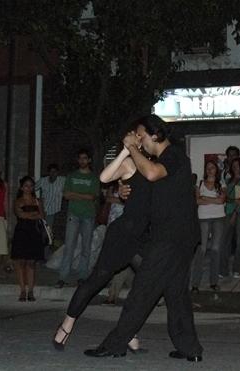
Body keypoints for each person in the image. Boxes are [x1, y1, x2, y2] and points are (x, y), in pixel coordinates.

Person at [85, 114, 203, 362]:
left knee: (142, 290)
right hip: (176, 236)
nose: (138, 140)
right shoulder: (158, 161)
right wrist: (124, 190)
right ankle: (189, 348)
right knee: (175, 293)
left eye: (141, 135)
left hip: (172, 237)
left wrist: (129, 147)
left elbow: (151, 174)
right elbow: (147, 186)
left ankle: (115, 344)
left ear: (156, 134)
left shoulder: (174, 156)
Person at [53, 144, 152, 353]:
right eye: (139, 138)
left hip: (143, 236)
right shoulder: (129, 162)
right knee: (96, 280)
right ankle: (66, 324)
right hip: (123, 234)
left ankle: (128, 331)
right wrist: (126, 150)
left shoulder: (154, 167)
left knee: (149, 282)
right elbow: (104, 178)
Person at [55, 149, 100, 288]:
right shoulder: (71, 176)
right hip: (73, 214)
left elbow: (93, 196)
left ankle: (82, 276)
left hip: (88, 215)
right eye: (80, 158)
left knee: (86, 248)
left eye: (85, 158)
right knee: (69, 246)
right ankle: (63, 277)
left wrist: (76, 194)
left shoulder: (93, 178)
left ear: (89, 160)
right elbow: (66, 195)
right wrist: (83, 195)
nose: (82, 161)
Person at [192, 160, 226, 293]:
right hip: (203, 218)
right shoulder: (199, 183)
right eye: (208, 168)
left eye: (212, 168)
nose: (210, 170)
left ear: (216, 170)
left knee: (216, 249)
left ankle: (213, 282)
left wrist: (205, 198)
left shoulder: (221, 184)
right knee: (202, 249)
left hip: (219, 217)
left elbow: (222, 200)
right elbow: (197, 200)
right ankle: (195, 283)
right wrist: (213, 200)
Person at [11, 176, 46, 302]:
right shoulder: (18, 201)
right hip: (21, 232)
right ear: (21, 187)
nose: (29, 188)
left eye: (31, 186)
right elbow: (20, 214)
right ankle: (22, 290)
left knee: (31, 263)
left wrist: (30, 215)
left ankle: (31, 291)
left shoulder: (37, 201)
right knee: (21, 262)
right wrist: (33, 215)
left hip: (34, 232)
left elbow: (42, 215)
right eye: (26, 185)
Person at [220, 157, 240, 278]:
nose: (235, 167)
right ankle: (223, 270)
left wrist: (234, 214)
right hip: (227, 212)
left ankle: (237, 268)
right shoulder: (228, 180)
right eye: (233, 165)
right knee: (224, 241)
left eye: (237, 165)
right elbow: (226, 198)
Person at [35, 163, 65, 245]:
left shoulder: (62, 180)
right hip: (45, 210)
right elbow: (32, 188)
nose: (53, 174)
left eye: (55, 172)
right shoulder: (43, 180)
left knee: (54, 232)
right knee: (46, 231)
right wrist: (36, 201)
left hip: (57, 210)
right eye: (51, 172)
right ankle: (45, 250)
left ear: (57, 172)